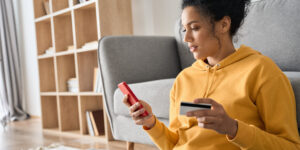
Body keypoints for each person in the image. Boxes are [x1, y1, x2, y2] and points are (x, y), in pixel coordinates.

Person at [123, 0, 300, 149]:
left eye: (195, 28)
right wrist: (151, 123)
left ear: (224, 24)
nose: (186, 39)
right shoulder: (184, 79)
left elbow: (289, 145)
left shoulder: (262, 71)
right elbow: (174, 143)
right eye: (185, 30)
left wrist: (233, 129)